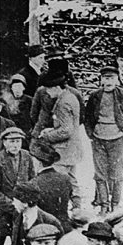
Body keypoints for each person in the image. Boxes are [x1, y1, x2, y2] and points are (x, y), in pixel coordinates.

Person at [85, 65, 123, 213]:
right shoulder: (95, 96)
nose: (108, 81)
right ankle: (103, 205)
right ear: (101, 79)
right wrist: (90, 134)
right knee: (100, 174)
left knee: (116, 174)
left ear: (117, 80)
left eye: (112, 78)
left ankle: (115, 205)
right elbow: (88, 117)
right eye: (105, 78)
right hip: (98, 139)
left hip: (117, 139)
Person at [37, 69, 83, 210]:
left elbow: (65, 131)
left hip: (64, 151)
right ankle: (77, 208)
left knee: (58, 182)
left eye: (49, 90)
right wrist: (52, 129)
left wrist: (47, 136)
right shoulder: (70, 96)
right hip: (72, 149)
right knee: (71, 180)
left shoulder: (63, 103)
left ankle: (59, 210)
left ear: (56, 88)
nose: (48, 93)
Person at [29, 139, 73, 233]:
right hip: (65, 227)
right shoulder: (65, 178)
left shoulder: (34, 183)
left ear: (38, 162)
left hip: (45, 231)